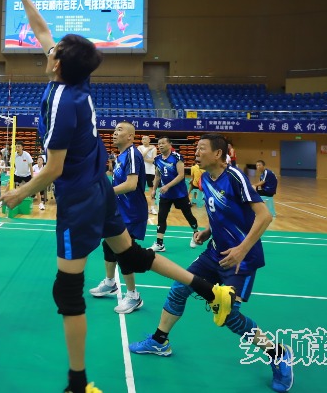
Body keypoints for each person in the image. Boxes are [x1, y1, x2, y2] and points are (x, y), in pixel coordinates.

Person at [0, 0, 235, 393]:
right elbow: (42, 29)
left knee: (67, 291)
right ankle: (210, 290)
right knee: (133, 256)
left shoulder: (63, 104)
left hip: (78, 200)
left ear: (57, 64)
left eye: (53, 50)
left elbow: (53, 168)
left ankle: (78, 384)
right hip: (100, 191)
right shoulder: (74, 82)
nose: (48, 47)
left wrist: (19, 193)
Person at [128, 134, 293, 393]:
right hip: (213, 253)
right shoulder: (205, 178)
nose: (196, 152)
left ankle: (279, 353)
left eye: (202, 148)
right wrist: (207, 231)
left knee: (229, 316)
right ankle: (160, 341)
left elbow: (264, 216)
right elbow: (220, 213)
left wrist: (241, 249)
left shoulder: (235, 177)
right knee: (179, 287)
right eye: (196, 148)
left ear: (218, 154)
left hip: (241, 260)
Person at [89, 121, 147, 315]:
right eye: (114, 130)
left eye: (119, 130)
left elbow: (131, 184)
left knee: (124, 253)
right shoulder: (121, 156)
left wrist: (105, 193)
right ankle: (110, 283)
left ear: (130, 136)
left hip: (132, 213)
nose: (114, 133)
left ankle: (133, 296)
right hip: (120, 210)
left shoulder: (132, 154)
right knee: (108, 245)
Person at [149, 136, 200, 252]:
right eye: (159, 143)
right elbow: (157, 175)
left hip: (180, 194)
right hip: (165, 195)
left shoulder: (177, 157)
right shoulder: (157, 159)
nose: (160, 145)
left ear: (169, 144)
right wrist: (154, 189)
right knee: (161, 217)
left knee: (188, 215)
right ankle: (159, 243)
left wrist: (167, 186)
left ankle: (196, 234)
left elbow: (181, 175)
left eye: (163, 143)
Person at [137, 135, 157, 215]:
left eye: (146, 139)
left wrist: (144, 159)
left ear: (149, 140)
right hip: (141, 171)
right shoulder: (139, 147)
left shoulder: (154, 148)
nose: (144, 140)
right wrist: (148, 149)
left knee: (152, 190)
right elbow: (140, 157)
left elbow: (154, 160)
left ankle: (152, 208)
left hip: (150, 171)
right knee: (139, 189)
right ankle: (140, 207)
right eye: (143, 139)